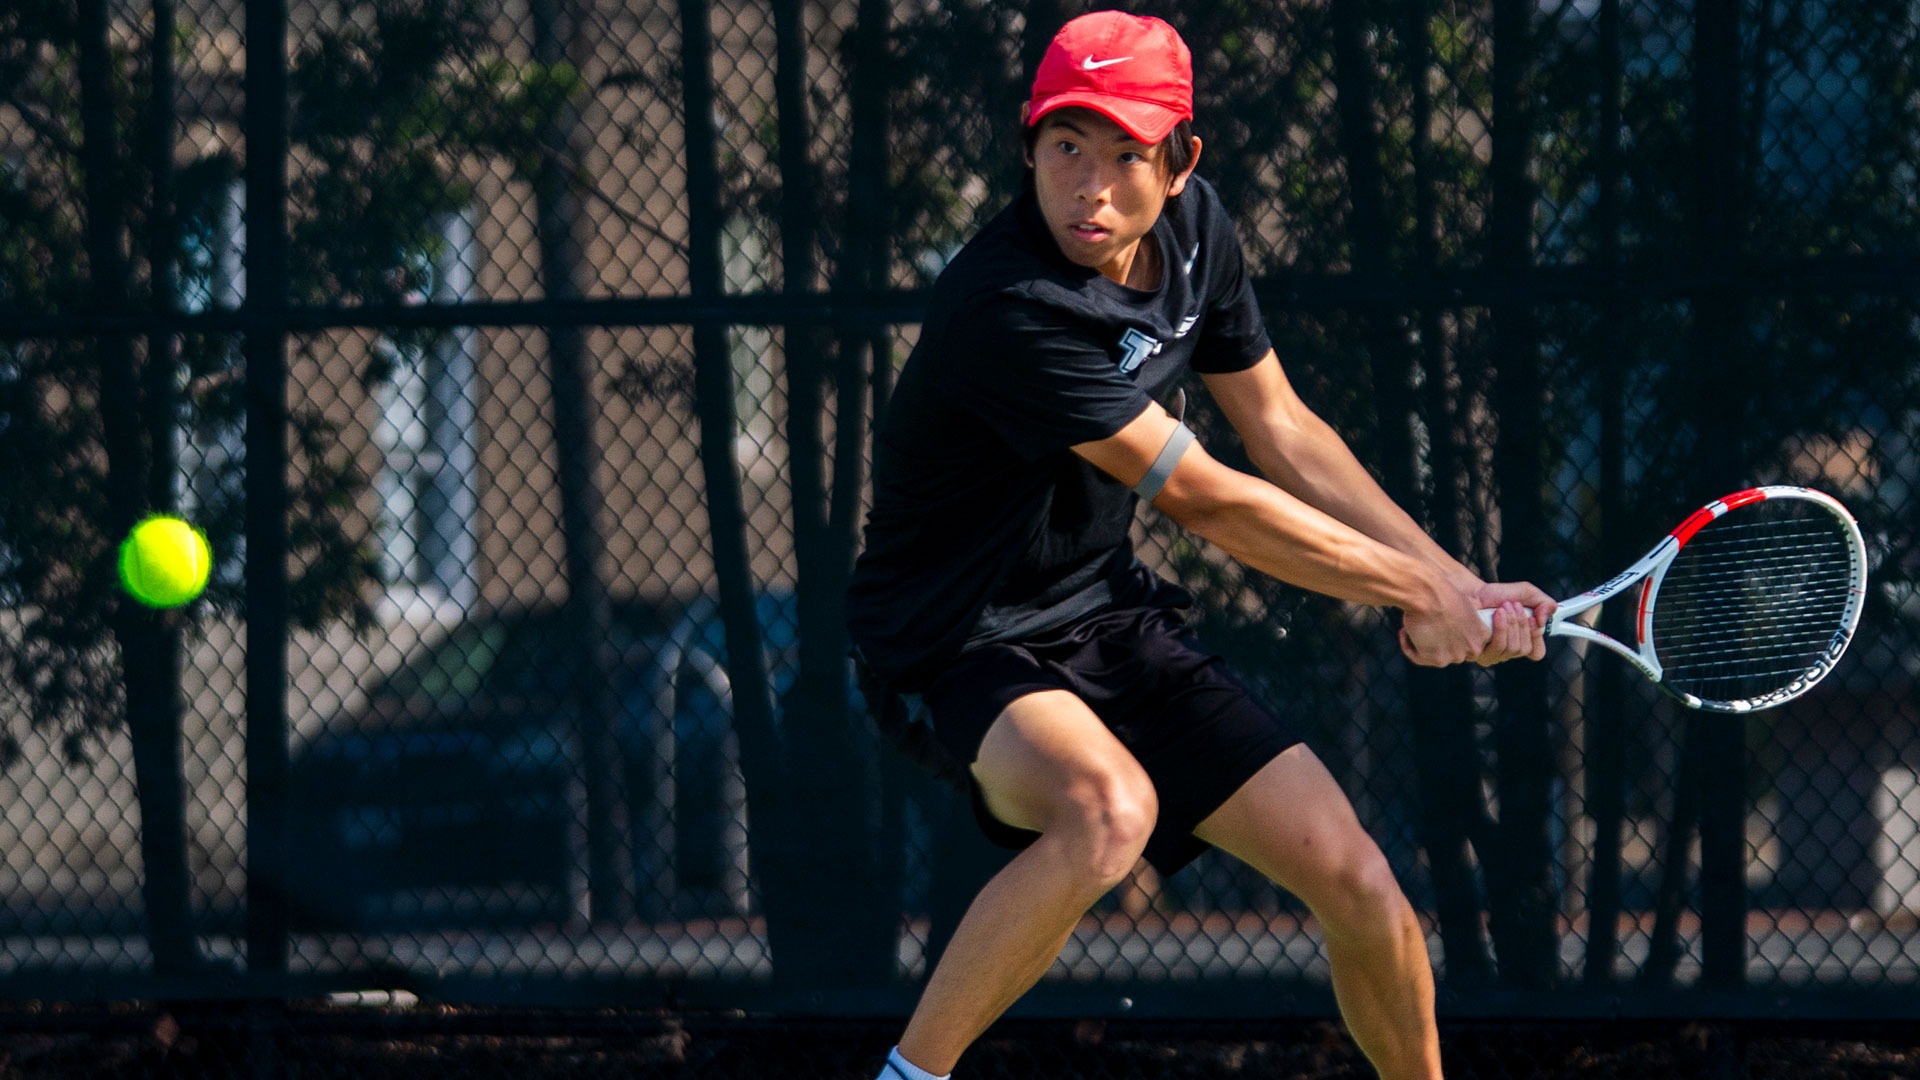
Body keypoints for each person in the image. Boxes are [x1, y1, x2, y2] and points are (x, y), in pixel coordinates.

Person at [847, 12, 1554, 1080]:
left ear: (1181, 163)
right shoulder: (1009, 307)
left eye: (1126, 153)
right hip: (953, 641)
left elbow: (1280, 427)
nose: (1089, 184)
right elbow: (1211, 500)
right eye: (1064, 146)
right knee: (1105, 811)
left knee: (1359, 882)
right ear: (1028, 147)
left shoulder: (1199, 236)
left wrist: (1453, 583)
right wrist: (1416, 592)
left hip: (1104, 615)